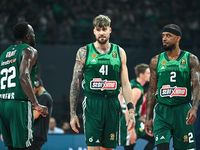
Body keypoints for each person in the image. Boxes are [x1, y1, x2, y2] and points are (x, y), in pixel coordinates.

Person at [70, 14, 135, 150]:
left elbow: (126, 84)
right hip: (92, 102)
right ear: (94, 31)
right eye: (98, 29)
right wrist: (72, 113)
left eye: (104, 29)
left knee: (108, 148)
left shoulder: (119, 52)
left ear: (110, 30)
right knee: (93, 147)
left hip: (112, 102)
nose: (101, 33)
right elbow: (75, 83)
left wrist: (131, 111)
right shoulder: (84, 51)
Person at [145, 24, 200, 150]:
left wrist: (195, 108)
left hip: (182, 111)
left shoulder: (191, 59)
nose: (164, 39)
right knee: (162, 147)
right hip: (162, 112)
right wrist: (148, 117)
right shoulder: (156, 60)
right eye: (163, 36)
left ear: (178, 38)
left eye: (168, 36)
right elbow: (152, 90)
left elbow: (197, 86)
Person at [0, 22, 48, 150]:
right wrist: (36, 103)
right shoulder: (29, 50)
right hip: (18, 104)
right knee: (25, 147)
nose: (34, 36)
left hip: (3, 104)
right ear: (27, 36)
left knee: (12, 147)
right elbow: (24, 76)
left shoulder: (4, 54)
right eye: (33, 33)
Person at [120, 64, 155, 150]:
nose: (150, 75)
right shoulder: (137, 90)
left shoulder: (132, 83)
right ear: (141, 75)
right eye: (148, 73)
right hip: (129, 122)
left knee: (153, 139)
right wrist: (131, 129)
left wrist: (122, 106)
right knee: (130, 145)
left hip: (134, 120)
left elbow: (120, 93)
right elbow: (129, 109)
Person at [28, 76, 53, 150]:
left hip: (37, 134)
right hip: (39, 133)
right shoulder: (44, 97)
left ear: (37, 85)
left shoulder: (44, 97)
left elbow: (35, 115)